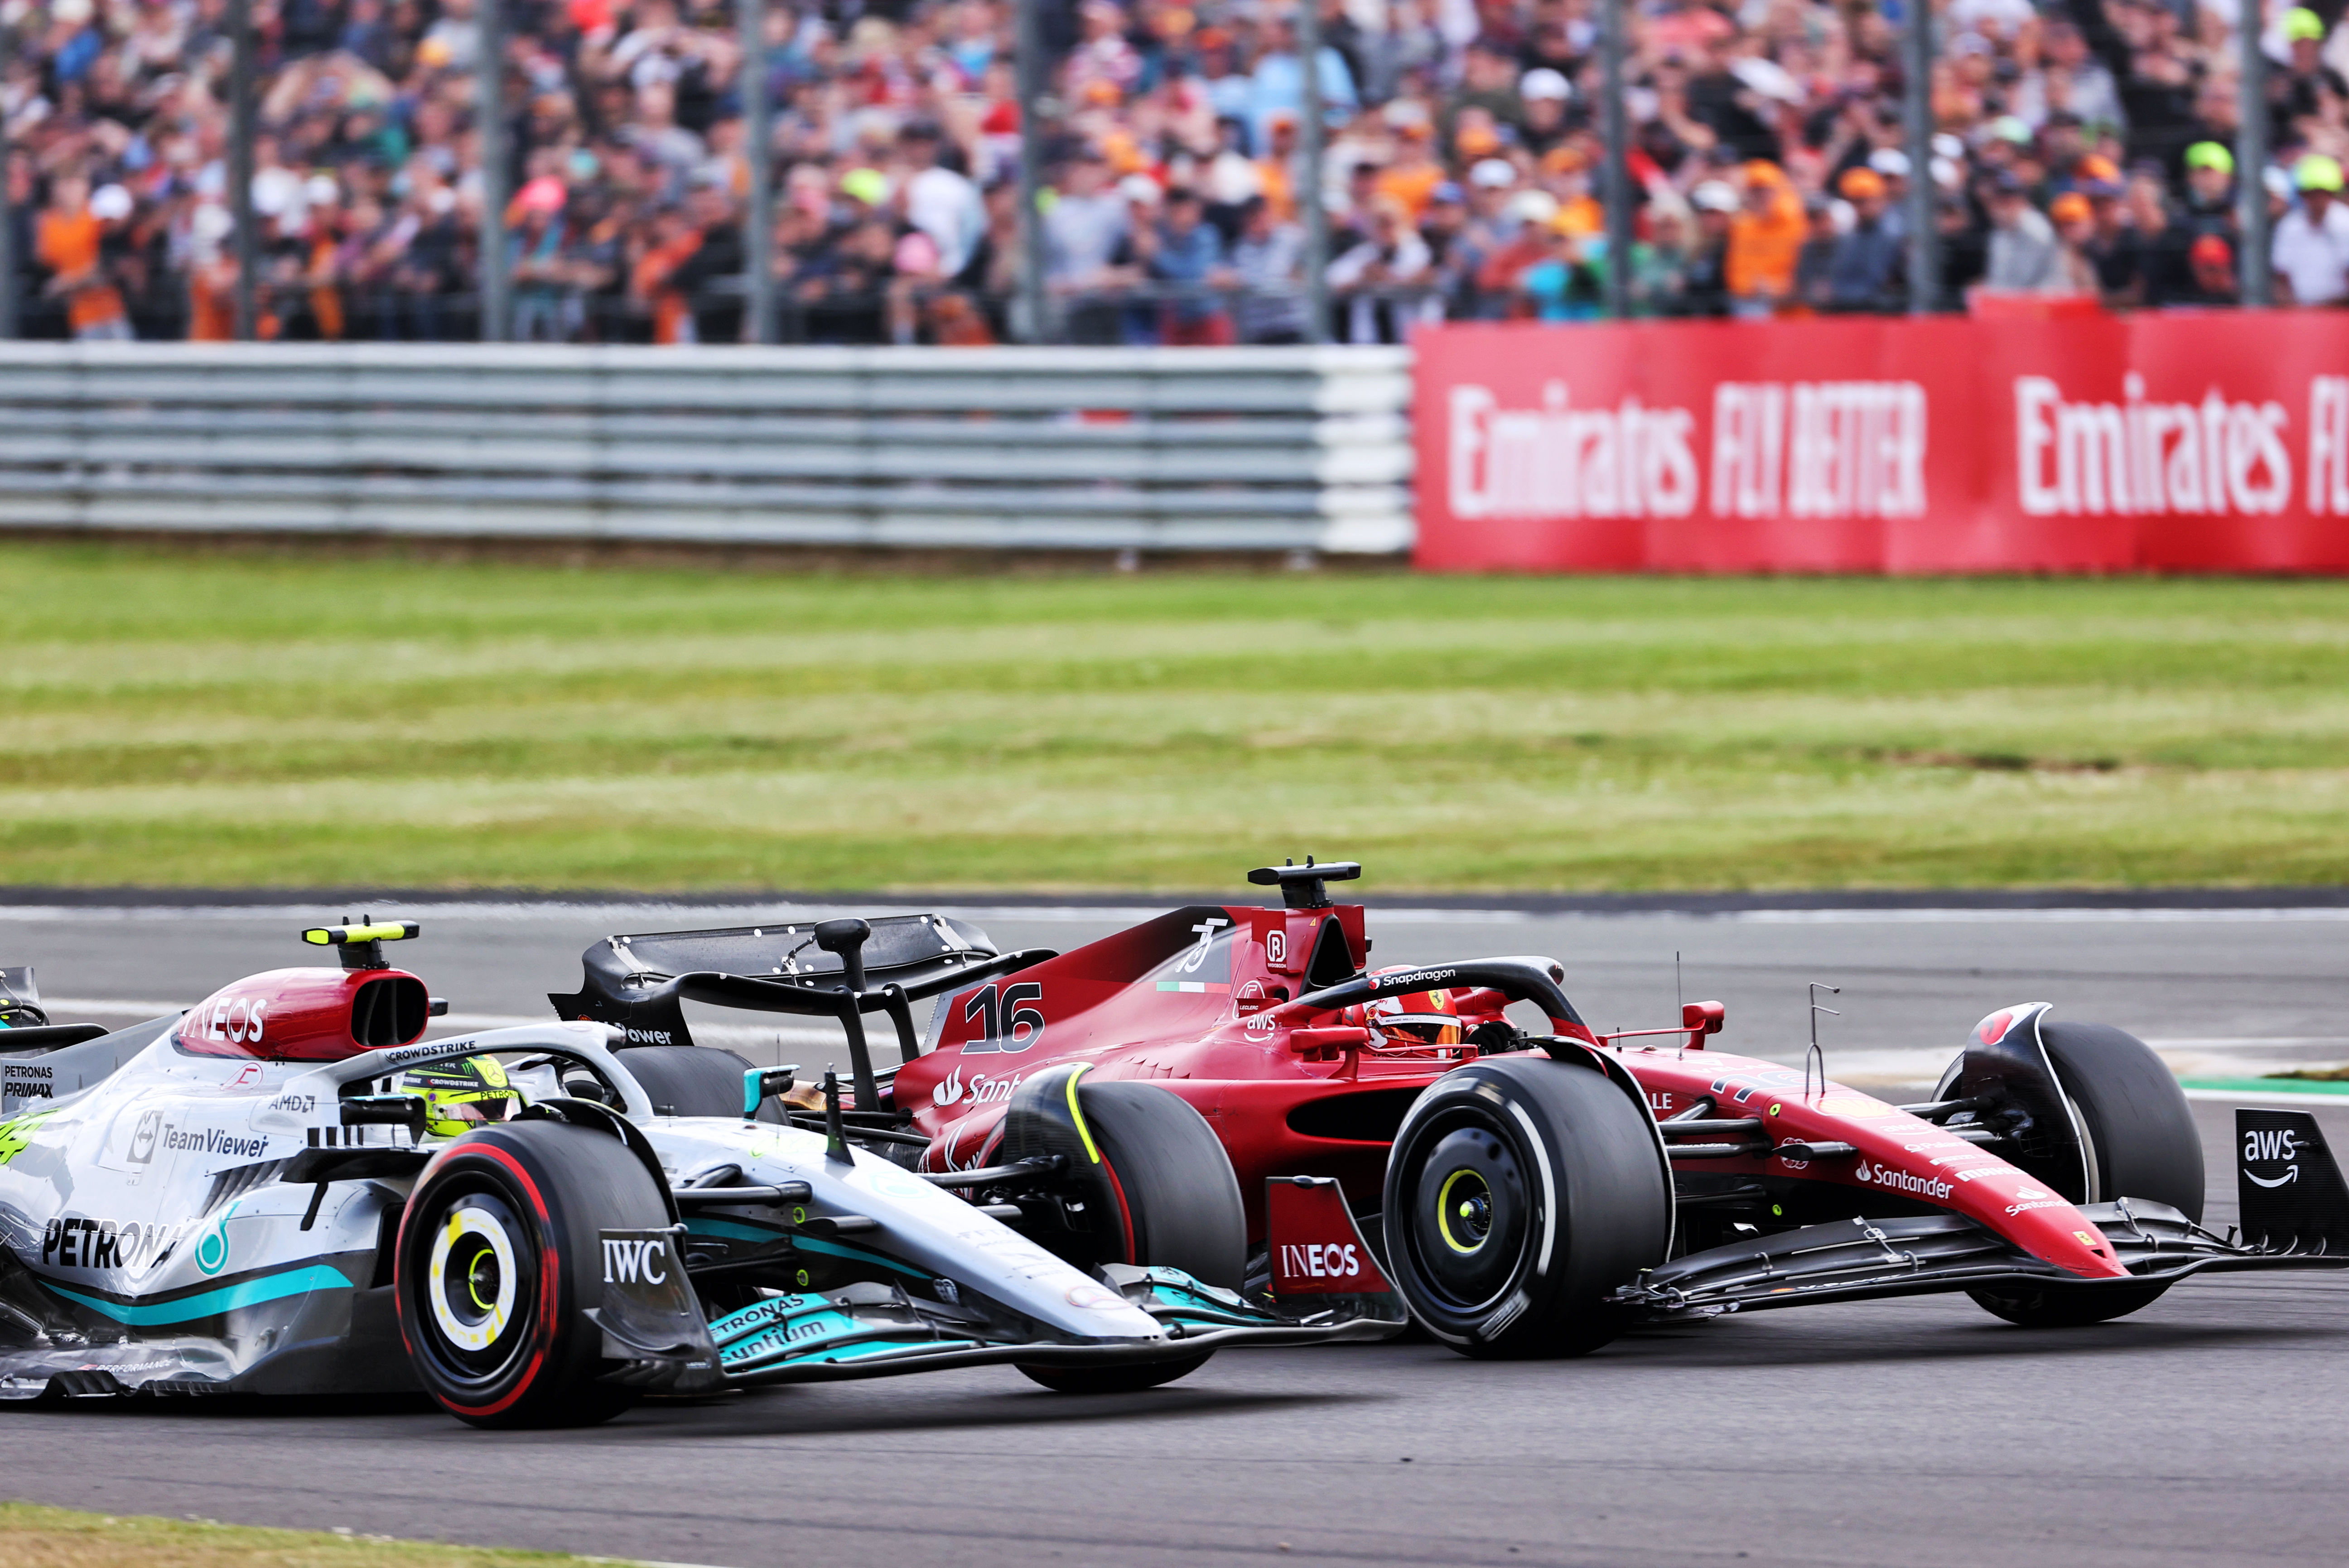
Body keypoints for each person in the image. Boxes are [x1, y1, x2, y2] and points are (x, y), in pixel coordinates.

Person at [36, 173, 132, 340]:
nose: (69, 192)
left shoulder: (97, 215)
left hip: (110, 310)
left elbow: (105, 267)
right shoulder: (50, 223)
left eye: (74, 185)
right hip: (77, 316)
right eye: (65, 186)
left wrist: (68, 282)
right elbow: (47, 267)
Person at [1222, 194, 1306, 342]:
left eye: (1262, 214)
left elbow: (1275, 279)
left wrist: (1241, 280)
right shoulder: (1240, 250)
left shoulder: (1291, 239)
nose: (1260, 222)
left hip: (1291, 328)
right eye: (1253, 218)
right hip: (1257, 332)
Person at [1725, 160, 1802, 316]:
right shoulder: (1742, 227)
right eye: (1755, 190)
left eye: (1766, 190)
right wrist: (1752, 287)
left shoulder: (1798, 224)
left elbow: (1804, 274)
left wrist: (1775, 289)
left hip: (1791, 306)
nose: (1761, 196)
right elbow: (1735, 274)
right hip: (1753, 303)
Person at [1824, 167, 1904, 312]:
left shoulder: (1892, 234)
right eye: (1853, 201)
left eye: (1863, 201)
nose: (1858, 208)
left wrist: (1839, 294)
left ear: (1881, 199)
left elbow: (1876, 280)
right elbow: (1839, 275)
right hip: (1850, 310)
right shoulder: (1849, 235)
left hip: (1880, 314)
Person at [2273, 155, 2349, 306]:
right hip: (2299, 312)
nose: (2318, 200)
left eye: (2323, 193)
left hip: (2340, 311)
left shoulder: (2345, 223)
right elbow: (2282, 276)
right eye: (2312, 194)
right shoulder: (2290, 226)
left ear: (2332, 194)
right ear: (2303, 195)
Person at [1982, 172, 2063, 291]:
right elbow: (1997, 278)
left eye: (2009, 201)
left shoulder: (2035, 230)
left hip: (2039, 300)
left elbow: (2023, 283)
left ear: (2022, 200)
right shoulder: (2000, 232)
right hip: (2010, 301)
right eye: (1998, 201)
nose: (2002, 207)